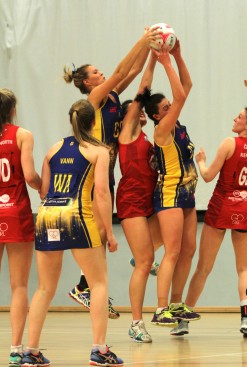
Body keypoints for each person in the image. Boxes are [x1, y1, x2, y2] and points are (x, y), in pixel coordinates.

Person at [63, 28, 162, 318]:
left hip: (106, 171)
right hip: (91, 170)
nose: (102, 73)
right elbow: (120, 71)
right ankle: (85, 285)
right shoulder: (93, 97)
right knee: (102, 231)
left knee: (103, 233)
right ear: (85, 82)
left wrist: (151, 51)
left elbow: (131, 70)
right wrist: (142, 41)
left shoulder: (114, 97)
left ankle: (88, 285)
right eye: (96, 71)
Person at [21, 99, 122, 367]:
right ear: (94, 122)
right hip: (77, 214)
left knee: (44, 287)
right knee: (98, 283)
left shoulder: (53, 149)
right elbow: (101, 192)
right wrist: (110, 234)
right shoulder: (100, 151)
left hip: (47, 214)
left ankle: (30, 351)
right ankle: (100, 350)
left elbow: (43, 189)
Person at [183, 69, 247, 337]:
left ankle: (183, 319)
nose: (235, 118)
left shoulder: (228, 143)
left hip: (222, 206)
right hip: (245, 207)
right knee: (243, 268)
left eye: (240, 117)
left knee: (203, 267)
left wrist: (199, 159)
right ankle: (246, 318)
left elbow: (208, 176)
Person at [142, 42, 201, 332]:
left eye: (170, 106)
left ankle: (177, 304)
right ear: (156, 115)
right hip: (169, 194)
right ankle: (160, 307)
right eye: (165, 107)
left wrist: (178, 55)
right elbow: (180, 94)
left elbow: (186, 85)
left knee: (189, 250)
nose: (171, 106)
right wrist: (165, 62)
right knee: (173, 251)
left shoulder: (177, 124)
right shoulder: (162, 129)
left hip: (187, 194)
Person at [116, 51, 163, 343]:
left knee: (176, 237)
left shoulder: (145, 136)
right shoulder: (128, 132)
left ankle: (140, 258)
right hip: (132, 201)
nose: (142, 111)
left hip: (150, 201)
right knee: (146, 262)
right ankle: (135, 323)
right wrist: (155, 58)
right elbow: (143, 90)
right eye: (137, 110)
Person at [0, 89, 42, 367]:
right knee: (19, 285)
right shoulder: (22, 134)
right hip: (15, 212)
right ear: (13, 110)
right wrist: (45, 187)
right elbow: (29, 176)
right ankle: (16, 350)